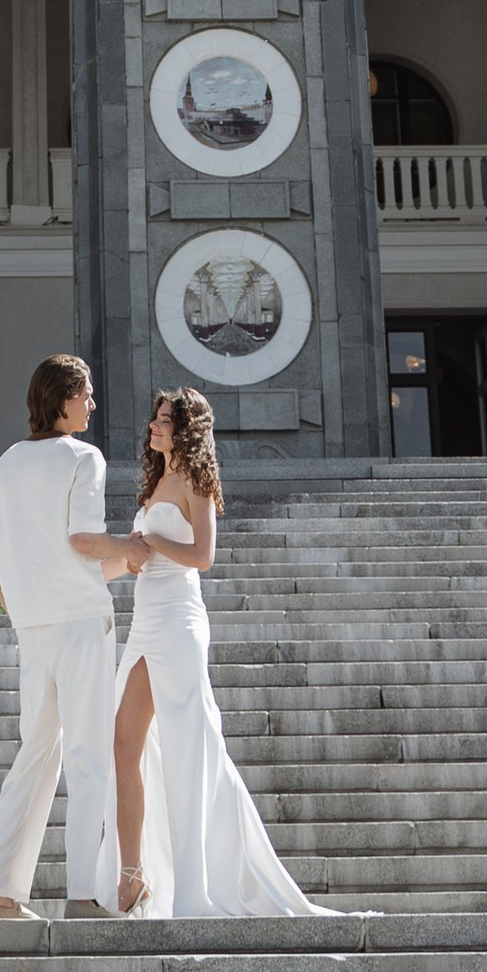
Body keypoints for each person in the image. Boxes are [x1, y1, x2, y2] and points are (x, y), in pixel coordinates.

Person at [112, 384, 326, 920]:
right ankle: (132, 874)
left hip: (181, 624)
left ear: (185, 428)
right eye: (155, 418)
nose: (154, 426)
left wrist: (151, 545)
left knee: (191, 750)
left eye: (164, 420)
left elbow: (203, 556)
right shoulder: (156, 479)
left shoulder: (197, 483)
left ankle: (200, 880)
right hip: (144, 622)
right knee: (123, 745)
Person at [0, 352, 136, 919]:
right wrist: (132, 549)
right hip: (82, 624)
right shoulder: (83, 457)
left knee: (36, 754)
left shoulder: (3, 466)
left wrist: (20, 605)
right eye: (86, 393)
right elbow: (86, 539)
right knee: (89, 757)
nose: (92, 404)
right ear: (63, 399)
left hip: (34, 629)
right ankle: (84, 895)